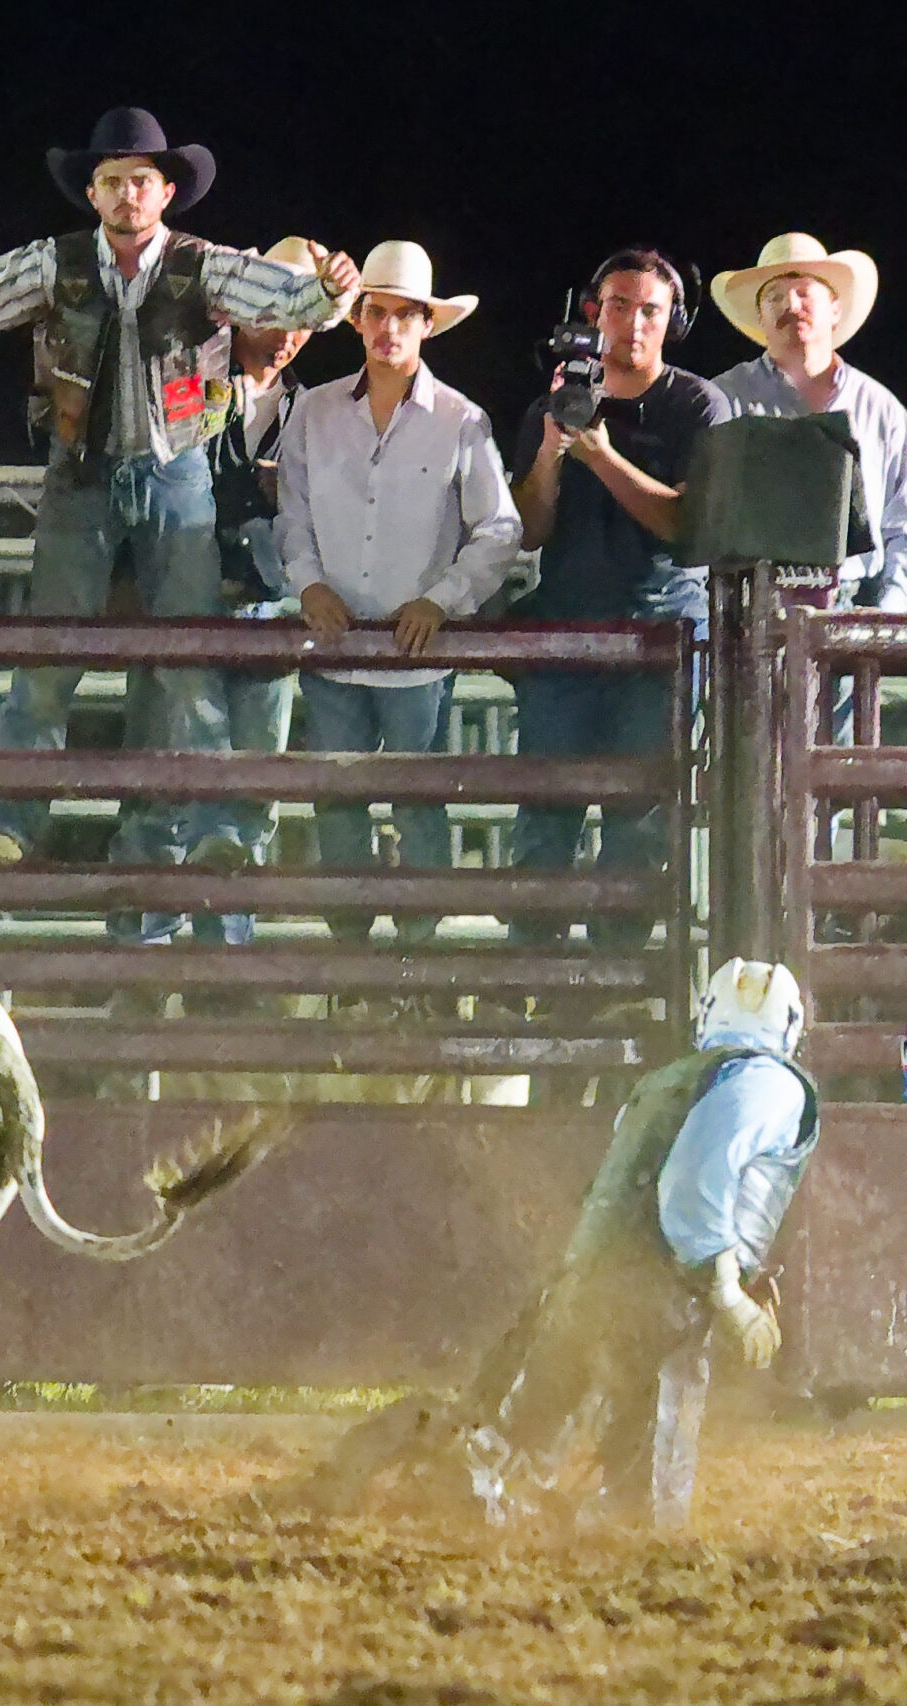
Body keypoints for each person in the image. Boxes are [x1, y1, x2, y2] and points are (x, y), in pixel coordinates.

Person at [0, 107, 356, 914]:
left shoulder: (201, 264)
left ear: (165, 191)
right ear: (95, 193)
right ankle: (10, 821)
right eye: (113, 181)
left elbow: (291, 302)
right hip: (81, 474)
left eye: (140, 180)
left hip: (174, 473)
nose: (127, 194)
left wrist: (329, 293)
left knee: (188, 654)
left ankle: (209, 826)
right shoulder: (56, 263)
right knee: (50, 655)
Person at [288, 959, 817, 1530]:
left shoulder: (665, 1082)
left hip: (593, 1274)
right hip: (661, 1296)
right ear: (789, 1025)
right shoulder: (772, 1085)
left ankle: (399, 1464)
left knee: (515, 1432)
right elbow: (690, 1185)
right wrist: (727, 1289)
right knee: (640, 1500)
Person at [277, 242, 520, 954]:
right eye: (376, 312)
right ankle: (355, 953)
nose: (388, 328)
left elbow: (499, 527)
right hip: (337, 638)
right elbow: (290, 513)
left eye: (403, 315)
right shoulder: (315, 412)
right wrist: (309, 582)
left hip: (415, 650)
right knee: (340, 804)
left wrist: (441, 599)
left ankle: (414, 953)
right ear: (357, 319)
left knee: (416, 804)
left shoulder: (461, 419)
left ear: (424, 325)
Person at [506, 251, 729, 953]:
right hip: (565, 629)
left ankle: (618, 977)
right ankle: (529, 973)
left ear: (673, 322)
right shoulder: (551, 403)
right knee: (546, 813)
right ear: (592, 313)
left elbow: (688, 528)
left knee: (639, 817)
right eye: (619, 305)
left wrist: (599, 454)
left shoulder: (696, 404)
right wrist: (550, 450)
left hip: (660, 634)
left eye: (650, 309)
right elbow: (531, 530)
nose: (633, 323)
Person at [137, 237, 333, 968]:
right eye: (275, 316)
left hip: (266, 611)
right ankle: (150, 963)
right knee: (172, 786)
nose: (285, 337)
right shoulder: (192, 379)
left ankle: (221, 965)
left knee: (248, 789)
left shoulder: (313, 412)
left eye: (300, 323)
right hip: (186, 601)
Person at [712, 234, 907, 616]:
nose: (791, 305)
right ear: (760, 317)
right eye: (774, 297)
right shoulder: (724, 399)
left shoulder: (881, 409)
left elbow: (903, 527)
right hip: (750, 610)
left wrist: (890, 611)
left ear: (834, 309)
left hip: (855, 610)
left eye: (805, 293)